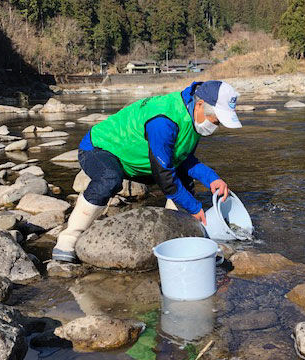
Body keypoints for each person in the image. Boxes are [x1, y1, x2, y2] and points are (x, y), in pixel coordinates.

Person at [52, 80, 242, 262]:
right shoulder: (164, 121)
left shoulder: (194, 116)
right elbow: (164, 174)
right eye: (216, 121)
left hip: (137, 158)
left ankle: (172, 236)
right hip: (100, 148)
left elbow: (181, 159)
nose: (215, 126)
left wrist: (211, 178)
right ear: (200, 104)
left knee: (183, 180)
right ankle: (68, 240)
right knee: (109, 179)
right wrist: (194, 207)